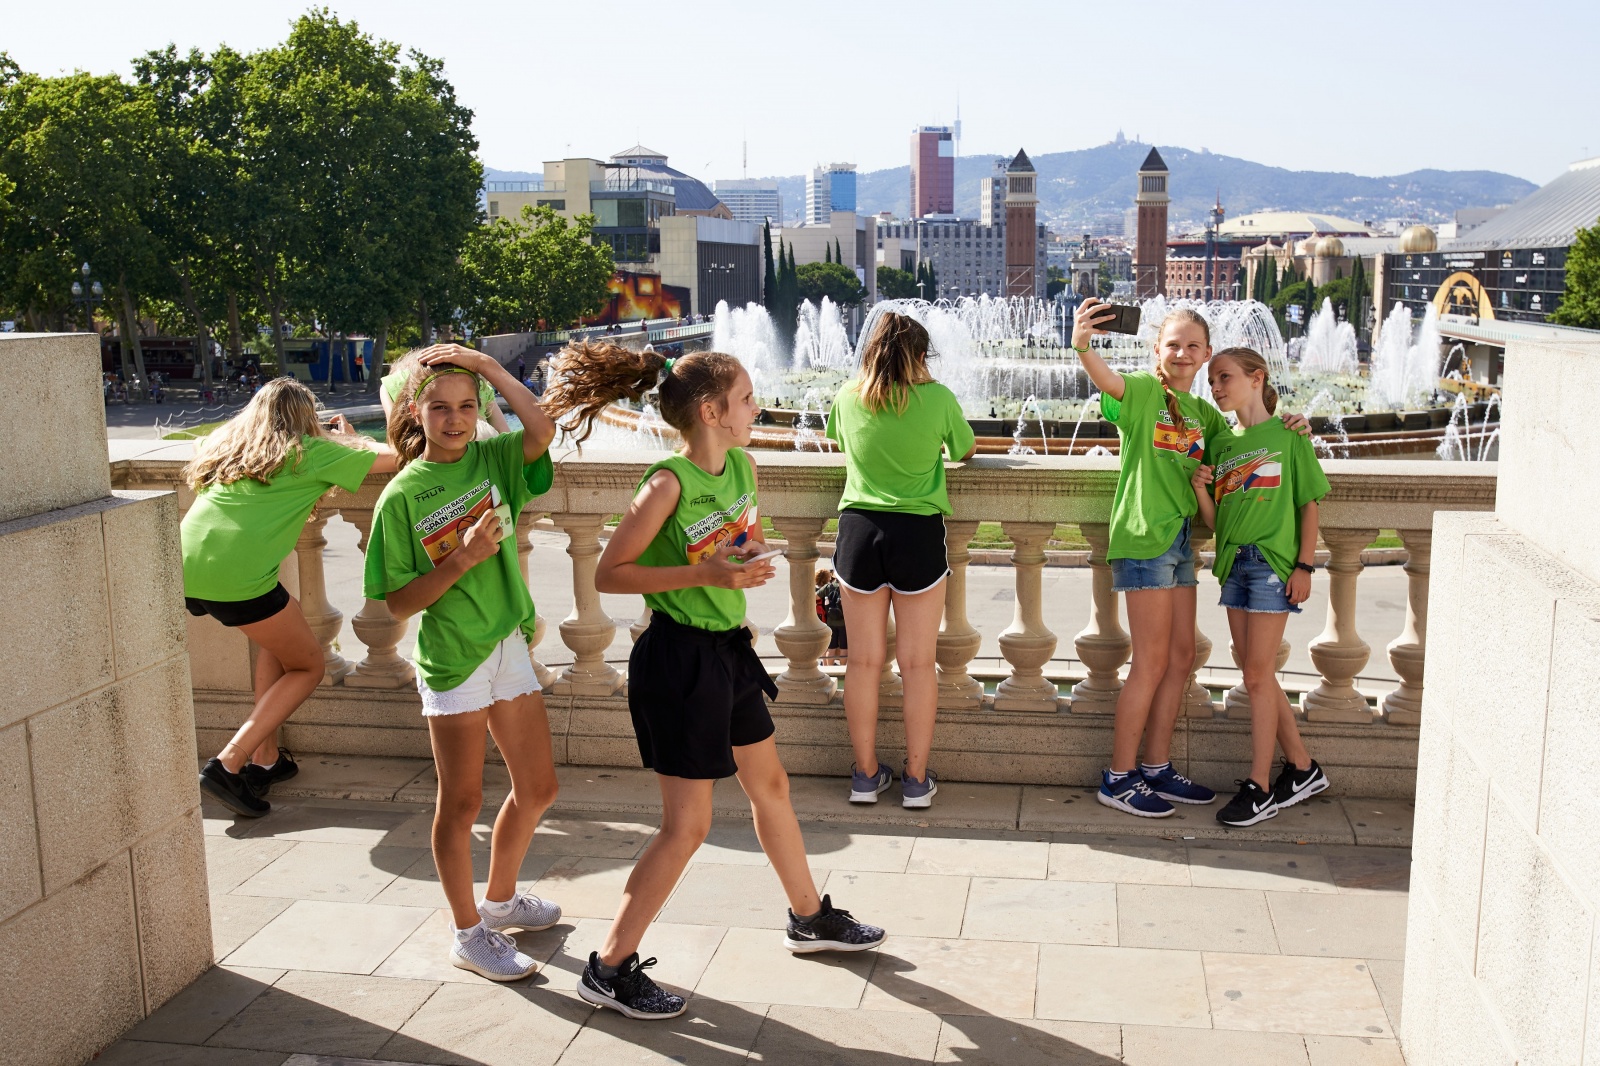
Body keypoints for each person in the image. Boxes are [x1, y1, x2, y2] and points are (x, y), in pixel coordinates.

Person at [541, 341, 886, 1021]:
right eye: (748, 398)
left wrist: (745, 558)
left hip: (729, 654)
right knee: (687, 827)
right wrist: (705, 574)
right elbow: (610, 574)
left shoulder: (743, 466)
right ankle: (607, 969)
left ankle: (808, 917)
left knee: (770, 786)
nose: (758, 407)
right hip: (677, 661)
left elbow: (731, 543)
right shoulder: (666, 483)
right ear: (711, 411)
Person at [363, 344, 564, 981]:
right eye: (440, 408)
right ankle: (468, 934)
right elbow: (398, 605)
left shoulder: (491, 459)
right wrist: (463, 558)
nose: (455, 419)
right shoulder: (401, 497)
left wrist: (489, 367)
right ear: (414, 414)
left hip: (507, 643)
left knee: (539, 788)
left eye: (467, 406)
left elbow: (542, 430)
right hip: (454, 660)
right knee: (462, 802)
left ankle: (500, 901)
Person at [1069, 299, 1311, 819]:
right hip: (1144, 537)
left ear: (1205, 355)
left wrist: (1292, 423)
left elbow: (1251, 437)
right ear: (1158, 350)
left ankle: (1156, 766)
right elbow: (1106, 380)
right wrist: (1084, 346)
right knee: (1151, 662)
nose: (1183, 353)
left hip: (1180, 544)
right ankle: (1119, 777)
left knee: (1181, 658)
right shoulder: (1142, 391)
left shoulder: (1204, 415)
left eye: (1193, 346)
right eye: (1173, 344)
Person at [184, 378, 397, 817]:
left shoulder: (226, 447)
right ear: (306, 419)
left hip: (188, 569)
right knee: (308, 666)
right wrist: (351, 443)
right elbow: (399, 456)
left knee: (281, 634)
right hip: (239, 579)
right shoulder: (310, 452)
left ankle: (265, 759)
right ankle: (228, 764)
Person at [824, 312, 975, 808]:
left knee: (862, 662)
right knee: (917, 664)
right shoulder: (938, 398)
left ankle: (865, 776)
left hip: (859, 532)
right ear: (921, 355)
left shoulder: (847, 396)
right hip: (917, 533)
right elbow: (965, 449)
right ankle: (915, 779)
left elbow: (841, 440)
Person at [1190, 347, 1331, 826]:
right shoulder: (1222, 445)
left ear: (1256, 378)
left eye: (1224, 377)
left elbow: (1309, 505)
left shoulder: (1290, 436)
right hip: (1233, 566)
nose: (1216, 388)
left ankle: (1261, 788)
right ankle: (1304, 768)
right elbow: (1218, 522)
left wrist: (1304, 567)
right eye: (1212, 381)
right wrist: (1200, 490)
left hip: (1272, 566)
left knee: (1255, 675)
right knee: (1257, 674)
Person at [379, 349, 512, 435]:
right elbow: (505, 432)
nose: (455, 419)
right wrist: (484, 362)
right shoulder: (480, 386)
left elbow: (395, 438)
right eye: (440, 407)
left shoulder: (392, 384)